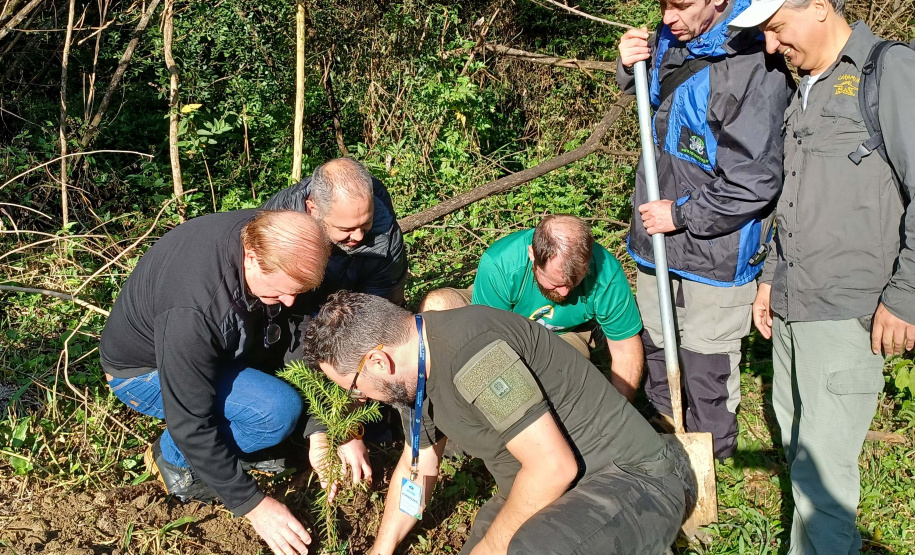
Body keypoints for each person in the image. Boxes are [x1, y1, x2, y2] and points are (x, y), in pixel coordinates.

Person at [730, 1, 915, 552]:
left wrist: (906, 296)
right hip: (793, 306)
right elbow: (796, 198)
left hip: (848, 313)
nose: (771, 45)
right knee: (801, 457)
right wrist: (770, 278)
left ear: (818, 7)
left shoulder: (890, 71)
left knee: (825, 485)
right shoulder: (806, 88)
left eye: (776, 28)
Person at [303, 291, 686, 555]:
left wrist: (492, 547)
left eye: (355, 387)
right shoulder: (411, 378)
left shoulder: (475, 353)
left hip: (631, 481)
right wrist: (381, 549)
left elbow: (554, 467)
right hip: (547, 489)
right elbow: (417, 467)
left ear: (377, 362)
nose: (362, 398)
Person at [100, 210, 371, 555]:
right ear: (251, 257)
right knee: (275, 411)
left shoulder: (272, 235)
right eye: (282, 292)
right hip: (142, 371)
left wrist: (324, 430)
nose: (289, 301)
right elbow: (190, 421)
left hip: (219, 348)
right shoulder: (194, 310)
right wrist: (254, 506)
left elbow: (302, 335)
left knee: (286, 405)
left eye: (297, 291)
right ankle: (172, 460)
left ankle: (231, 449)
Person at [616, 0, 794, 458]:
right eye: (662, 5)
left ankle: (711, 463)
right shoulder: (669, 40)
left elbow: (753, 182)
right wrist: (627, 65)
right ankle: (664, 449)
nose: (668, 16)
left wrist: (680, 215)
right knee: (657, 345)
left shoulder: (757, 61)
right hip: (657, 240)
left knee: (705, 364)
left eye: (681, 5)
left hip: (718, 247)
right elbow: (650, 103)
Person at [420, 215, 644, 401]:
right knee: (437, 307)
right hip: (496, 316)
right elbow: (485, 340)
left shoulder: (607, 274)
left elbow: (626, 350)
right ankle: (438, 405)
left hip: (563, 333)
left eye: (573, 282)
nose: (565, 293)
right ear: (532, 256)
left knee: (555, 378)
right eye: (556, 283)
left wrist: (618, 413)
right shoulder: (501, 262)